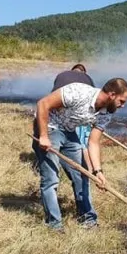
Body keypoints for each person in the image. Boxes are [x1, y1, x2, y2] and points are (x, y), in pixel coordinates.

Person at [32, 77, 127, 232]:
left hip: (70, 132)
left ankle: (88, 219)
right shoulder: (78, 91)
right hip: (49, 127)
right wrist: (43, 135)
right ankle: (54, 225)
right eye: (122, 101)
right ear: (112, 95)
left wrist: (98, 171)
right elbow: (43, 104)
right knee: (51, 178)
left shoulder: (106, 113)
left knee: (82, 174)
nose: (123, 106)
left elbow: (93, 142)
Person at [50, 64, 96, 205]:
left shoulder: (62, 76)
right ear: (84, 72)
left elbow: (52, 98)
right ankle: (86, 171)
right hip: (73, 118)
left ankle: (81, 170)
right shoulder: (88, 79)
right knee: (83, 144)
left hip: (58, 118)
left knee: (78, 146)